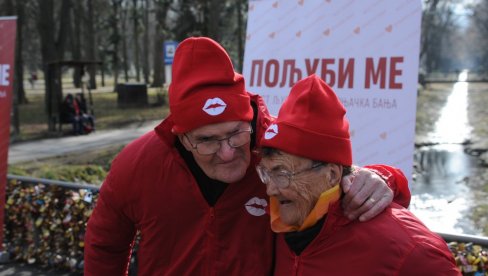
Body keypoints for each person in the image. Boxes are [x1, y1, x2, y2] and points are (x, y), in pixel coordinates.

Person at [84, 37, 410, 275]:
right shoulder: (138, 165)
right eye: (207, 140)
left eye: (236, 133)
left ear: (250, 117)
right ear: (180, 136)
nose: (227, 153)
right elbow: (105, 245)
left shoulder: (277, 151)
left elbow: (333, 176)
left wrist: (384, 178)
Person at [258, 75, 460, 275]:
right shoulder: (278, 226)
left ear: (331, 174)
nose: (270, 189)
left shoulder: (411, 250)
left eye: (282, 174)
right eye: (266, 173)